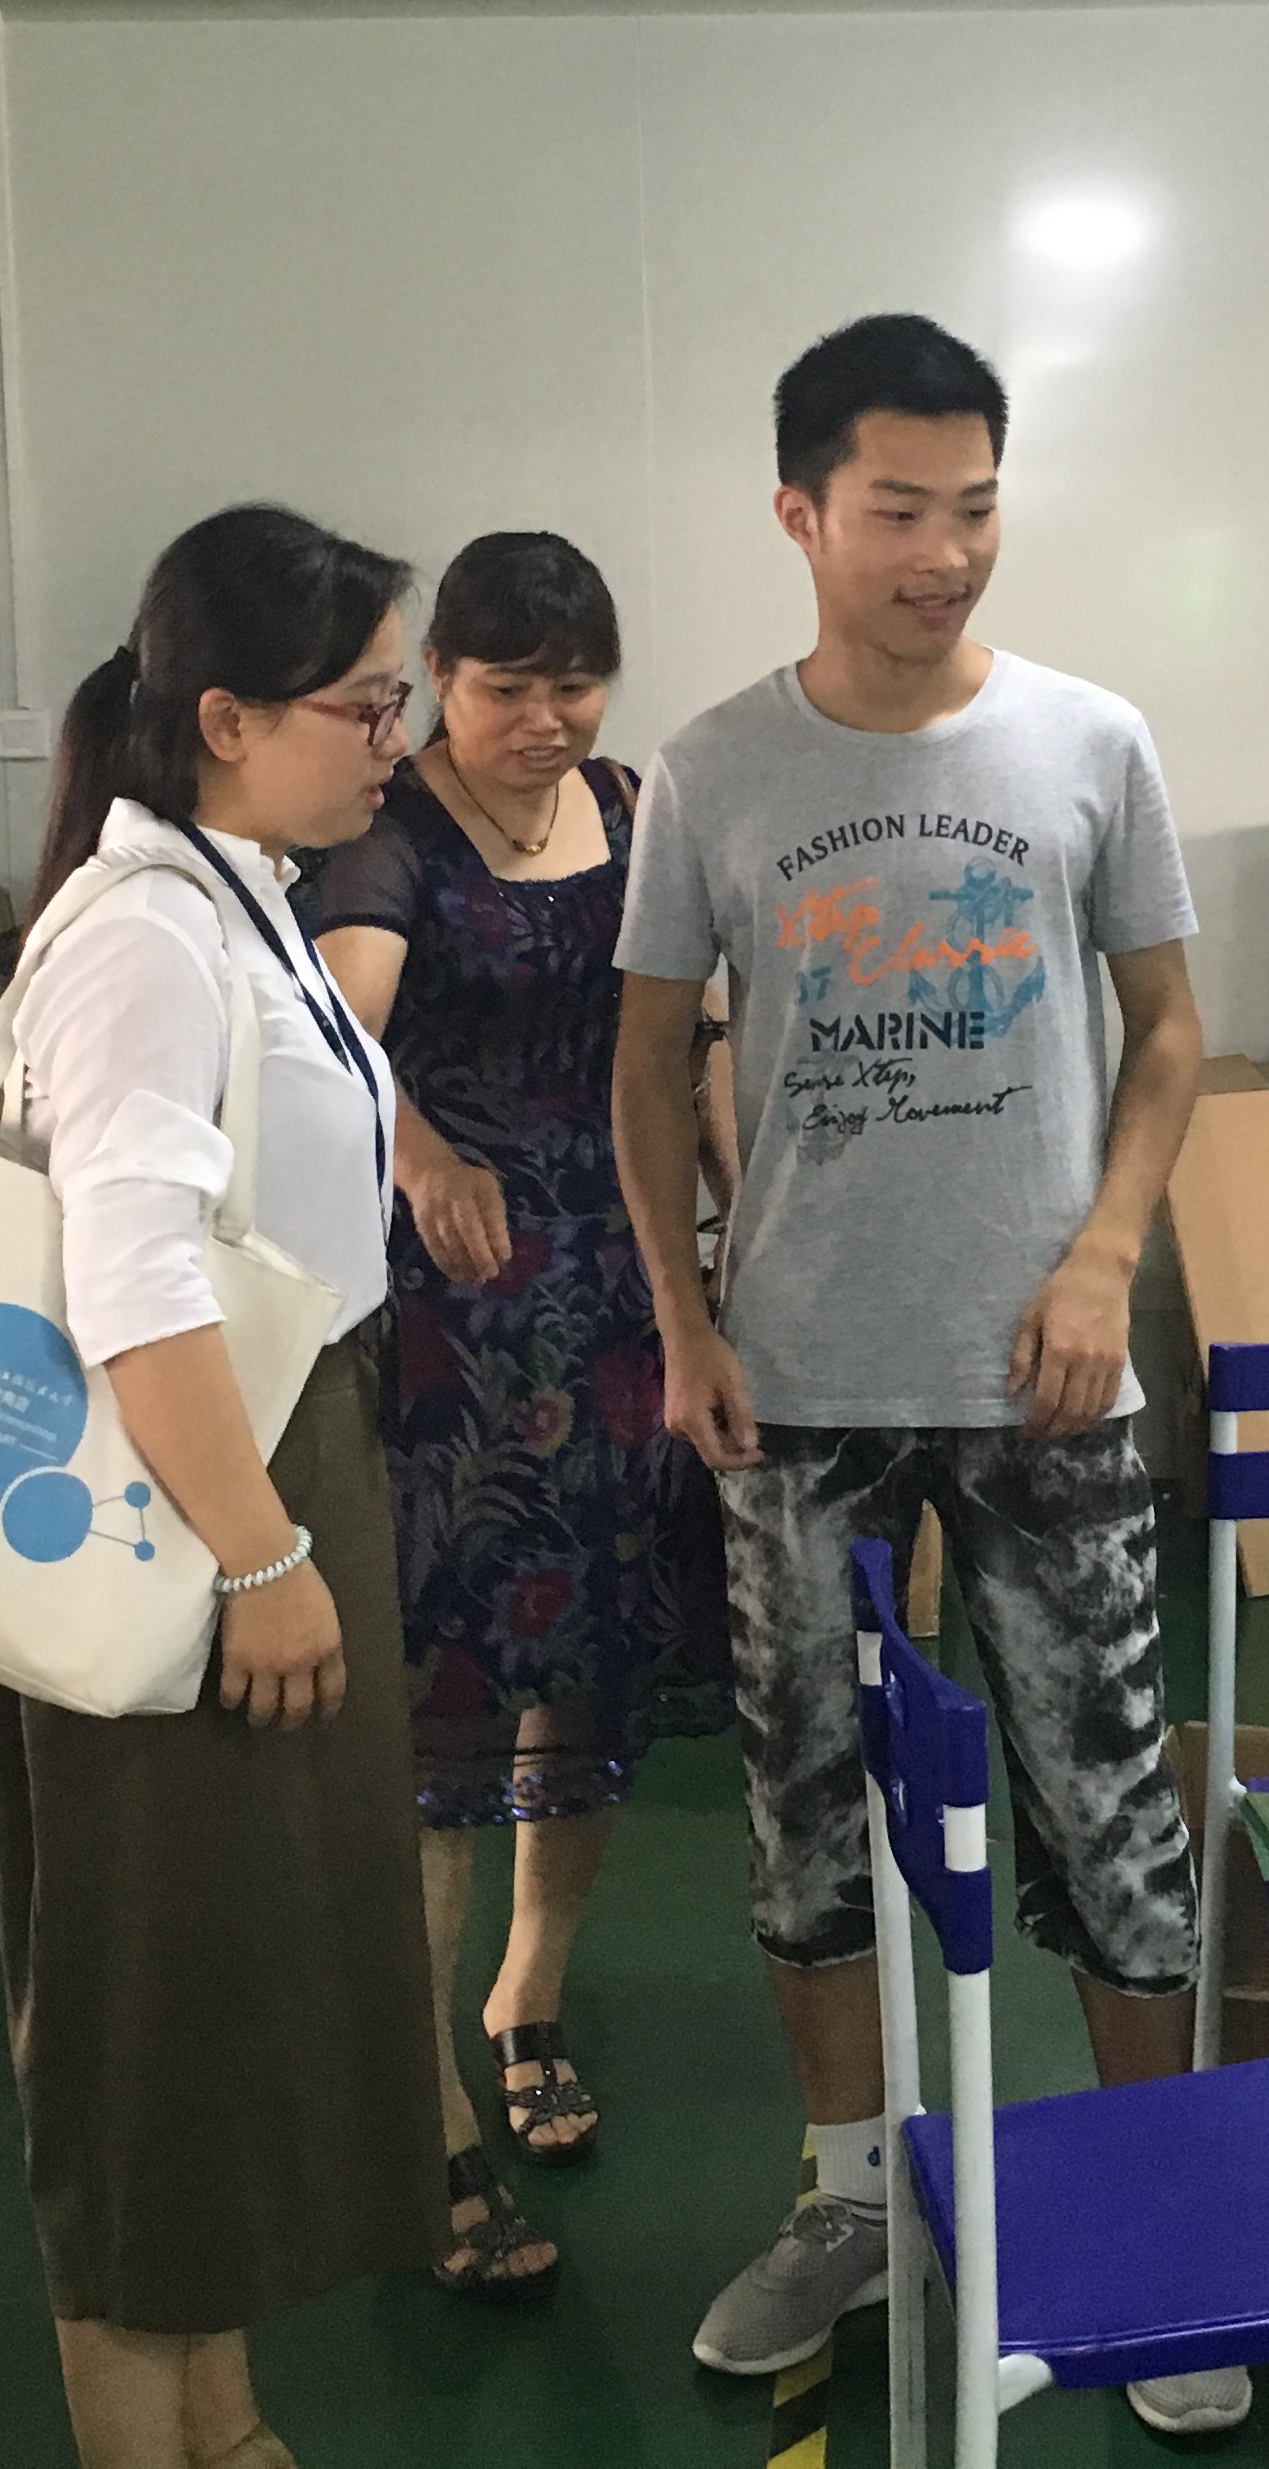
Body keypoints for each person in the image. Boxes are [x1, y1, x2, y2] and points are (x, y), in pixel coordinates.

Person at [611, 314, 1238, 2437]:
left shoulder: (1089, 743)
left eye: (975, 508)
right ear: (800, 514)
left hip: (1047, 1373)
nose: (945, 553)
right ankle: (853, 2196)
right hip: (797, 1381)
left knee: (1108, 1802)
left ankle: (1152, 2215)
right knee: (803, 1813)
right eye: (898, 510)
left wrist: (1107, 1255)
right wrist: (688, 1318)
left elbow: (1170, 1028)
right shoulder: (714, 769)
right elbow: (644, 1066)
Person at [0, 503, 471, 2469]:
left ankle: (227, 2427)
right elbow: (132, 1279)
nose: (393, 741)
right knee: (151, 2032)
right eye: (365, 702)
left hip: (263, 1455)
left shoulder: (242, 893)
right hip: (195, 1500)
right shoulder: (142, 935)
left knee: (223, 2003)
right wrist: (263, 1556)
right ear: (224, 717)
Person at [301, 532, 734, 2245]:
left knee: (591, 1682)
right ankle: (419, 2093)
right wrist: (417, 1148)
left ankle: (527, 1998)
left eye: (576, 683)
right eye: (506, 687)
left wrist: (742, 1209)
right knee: (452, 1701)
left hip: (621, 1299)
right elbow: (336, 1029)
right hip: (459, 1326)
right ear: (440, 683)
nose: (546, 718)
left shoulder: (630, 808)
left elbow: (683, 1037)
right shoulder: (388, 835)